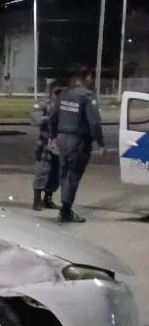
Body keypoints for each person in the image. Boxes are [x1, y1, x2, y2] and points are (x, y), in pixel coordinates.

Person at [47, 69, 106, 223]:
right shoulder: (86, 97)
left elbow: (52, 117)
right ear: (86, 77)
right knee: (73, 176)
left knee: (64, 174)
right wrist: (100, 143)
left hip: (62, 139)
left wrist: (53, 137)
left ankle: (65, 208)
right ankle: (66, 211)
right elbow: (94, 123)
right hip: (78, 142)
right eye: (91, 78)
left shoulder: (63, 95)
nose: (92, 82)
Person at [30, 81, 64, 211]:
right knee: (42, 171)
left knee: (56, 173)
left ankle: (48, 198)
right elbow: (35, 120)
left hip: (59, 142)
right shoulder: (43, 104)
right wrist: (50, 117)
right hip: (45, 142)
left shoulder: (64, 106)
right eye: (57, 92)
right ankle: (37, 200)